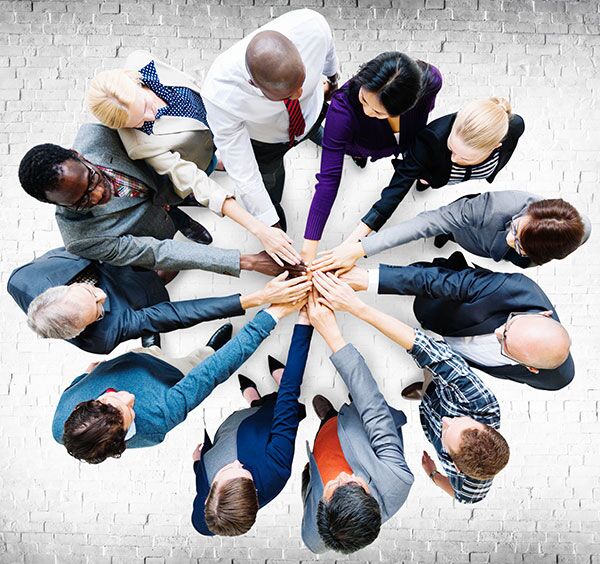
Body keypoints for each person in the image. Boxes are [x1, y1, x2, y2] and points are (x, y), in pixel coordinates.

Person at [87, 51, 301, 268]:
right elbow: (198, 183)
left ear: (136, 81)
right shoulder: (140, 145)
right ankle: (181, 217)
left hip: (206, 137)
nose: (150, 117)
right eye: (137, 122)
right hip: (189, 163)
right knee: (185, 192)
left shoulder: (141, 62)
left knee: (216, 162)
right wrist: (259, 229)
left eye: (145, 107)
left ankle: (213, 163)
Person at [310, 272, 510, 504]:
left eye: (446, 431)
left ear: (455, 465)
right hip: (444, 389)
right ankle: (427, 388)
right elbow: (430, 351)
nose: (447, 420)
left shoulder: (472, 487)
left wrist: (433, 474)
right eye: (459, 419)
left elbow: (462, 496)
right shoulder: (480, 403)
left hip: (432, 410)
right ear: (485, 425)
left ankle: (425, 394)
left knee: (431, 393)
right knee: (434, 370)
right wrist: (356, 307)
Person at [18, 125, 301, 277]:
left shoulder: (100, 134)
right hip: (152, 227)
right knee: (165, 266)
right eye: (81, 202)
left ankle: (180, 213)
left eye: (92, 180)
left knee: (188, 196)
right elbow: (158, 252)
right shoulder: (80, 238)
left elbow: (166, 153)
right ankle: (181, 222)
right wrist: (248, 261)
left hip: (169, 183)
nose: (98, 195)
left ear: (78, 154)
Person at [52, 299, 305, 464]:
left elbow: (75, 386)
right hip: (169, 375)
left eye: (111, 398)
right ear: (121, 441)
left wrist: (86, 375)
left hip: (131, 361)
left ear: (79, 408)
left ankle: (151, 348)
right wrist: (271, 315)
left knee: (147, 351)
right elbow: (212, 372)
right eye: (130, 411)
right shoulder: (160, 418)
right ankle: (208, 349)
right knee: (199, 363)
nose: (129, 397)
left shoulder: (61, 425)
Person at [338, 252, 574, 391]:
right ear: (543, 315)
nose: (498, 332)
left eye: (505, 344)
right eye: (510, 323)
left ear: (530, 368)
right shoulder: (515, 289)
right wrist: (368, 279)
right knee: (428, 279)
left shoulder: (553, 380)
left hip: (457, 351)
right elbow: (440, 282)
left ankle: (431, 386)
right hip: (443, 308)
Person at [7, 247, 311, 354]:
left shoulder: (21, 280)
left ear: (62, 288)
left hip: (103, 259)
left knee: (167, 255)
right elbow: (176, 314)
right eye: (98, 311)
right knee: (154, 301)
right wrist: (257, 297)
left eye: (89, 292)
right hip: (134, 302)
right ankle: (144, 330)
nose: (101, 297)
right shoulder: (103, 336)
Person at [319, 97, 525, 256]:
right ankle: (425, 181)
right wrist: (353, 242)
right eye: (451, 148)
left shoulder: (513, 127)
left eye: (464, 157)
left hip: (452, 175)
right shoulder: (430, 140)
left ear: (496, 146)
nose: (453, 159)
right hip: (433, 171)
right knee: (425, 178)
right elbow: (394, 192)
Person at [202, 9, 340, 234]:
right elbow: (244, 172)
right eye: (287, 95)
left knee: (324, 134)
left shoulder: (311, 26)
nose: (299, 94)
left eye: (302, 82)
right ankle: (275, 207)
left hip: (311, 114)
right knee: (271, 180)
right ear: (253, 83)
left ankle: (333, 143)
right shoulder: (220, 94)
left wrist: (333, 80)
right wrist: (271, 227)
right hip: (267, 143)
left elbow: (329, 53)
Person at [300, 290, 413, 554]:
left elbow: (308, 499)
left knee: (327, 431)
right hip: (365, 428)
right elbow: (373, 408)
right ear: (369, 494)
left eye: (331, 488)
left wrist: (310, 478)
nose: (340, 476)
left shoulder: (313, 538)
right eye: (351, 482)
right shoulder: (397, 481)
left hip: (324, 451)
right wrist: (332, 335)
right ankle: (344, 412)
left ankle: (328, 419)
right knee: (361, 404)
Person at [302, 52, 442, 262]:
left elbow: (427, 109)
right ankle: (356, 155)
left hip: (407, 142)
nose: (367, 111)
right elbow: (328, 180)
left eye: (378, 113)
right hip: (362, 144)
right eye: (364, 99)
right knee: (337, 147)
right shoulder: (342, 110)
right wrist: (309, 248)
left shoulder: (432, 80)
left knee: (421, 165)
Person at [191, 311, 313, 536]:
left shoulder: (204, 519)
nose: (237, 464)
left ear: (208, 497)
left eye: (227, 471)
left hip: (231, 429)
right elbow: (288, 398)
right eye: (245, 473)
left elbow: (204, 523)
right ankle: (266, 395)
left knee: (248, 413)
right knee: (281, 402)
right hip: (268, 423)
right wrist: (305, 324)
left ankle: (253, 401)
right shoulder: (274, 473)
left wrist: (198, 464)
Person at [311, 191, 591, 272]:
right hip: (469, 231)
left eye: (518, 243)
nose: (510, 238)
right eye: (516, 229)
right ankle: (451, 237)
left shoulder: (574, 235)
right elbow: (426, 222)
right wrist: (360, 248)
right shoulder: (493, 207)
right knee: (446, 229)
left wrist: (519, 253)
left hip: (500, 250)